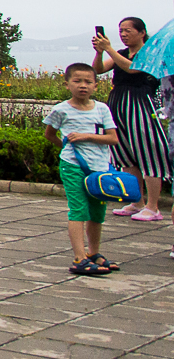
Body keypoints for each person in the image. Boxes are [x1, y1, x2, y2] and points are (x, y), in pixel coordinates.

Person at [93, 18, 172, 223]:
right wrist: (100, 52)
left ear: (142, 32)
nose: (123, 34)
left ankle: (153, 206)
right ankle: (136, 201)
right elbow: (99, 69)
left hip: (140, 104)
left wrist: (108, 48)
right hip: (118, 103)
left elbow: (133, 68)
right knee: (125, 154)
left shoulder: (150, 53)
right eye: (121, 31)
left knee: (149, 153)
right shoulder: (120, 53)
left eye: (128, 30)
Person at [45, 63, 121, 275]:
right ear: (67, 84)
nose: (83, 86)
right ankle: (79, 257)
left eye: (88, 82)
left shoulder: (102, 109)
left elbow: (113, 138)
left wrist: (86, 137)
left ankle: (93, 253)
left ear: (96, 85)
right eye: (77, 81)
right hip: (73, 166)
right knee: (79, 209)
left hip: (99, 168)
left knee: (98, 212)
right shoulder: (61, 110)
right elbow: (50, 134)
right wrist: (68, 149)